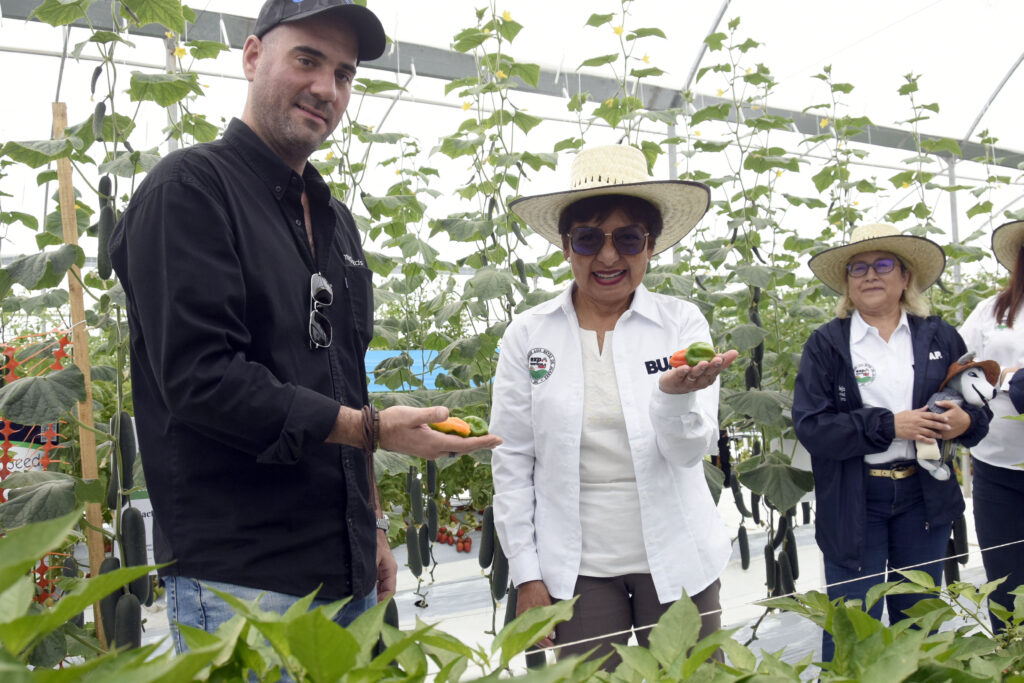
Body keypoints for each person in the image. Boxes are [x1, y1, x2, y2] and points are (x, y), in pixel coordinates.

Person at [108, 0, 501, 652]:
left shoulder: (336, 221)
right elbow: (202, 379)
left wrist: (371, 524)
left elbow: (346, 378)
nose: (327, 88)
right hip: (241, 585)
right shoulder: (189, 191)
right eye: (308, 60)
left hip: (342, 571)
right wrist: (371, 430)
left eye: (344, 73)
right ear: (254, 56)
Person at [490, 144, 739, 670]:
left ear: (650, 247)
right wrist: (527, 574)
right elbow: (511, 461)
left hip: (677, 556)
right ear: (565, 247)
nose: (607, 257)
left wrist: (675, 399)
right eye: (588, 239)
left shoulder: (681, 324)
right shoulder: (528, 334)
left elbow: (691, 450)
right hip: (576, 569)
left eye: (627, 239)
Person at [793, 223, 991, 661]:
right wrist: (889, 426)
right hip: (856, 498)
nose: (870, 275)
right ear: (847, 283)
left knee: (919, 623)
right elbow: (812, 427)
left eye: (883, 265)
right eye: (857, 268)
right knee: (852, 628)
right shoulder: (827, 344)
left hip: (923, 496)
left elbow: (977, 410)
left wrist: (964, 422)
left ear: (905, 277)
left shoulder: (939, 336)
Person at [958, 219, 1024, 630]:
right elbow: (960, 369)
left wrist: (1008, 378)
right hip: (996, 469)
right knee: (1005, 587)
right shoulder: (993, 309)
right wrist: (1001, 378)